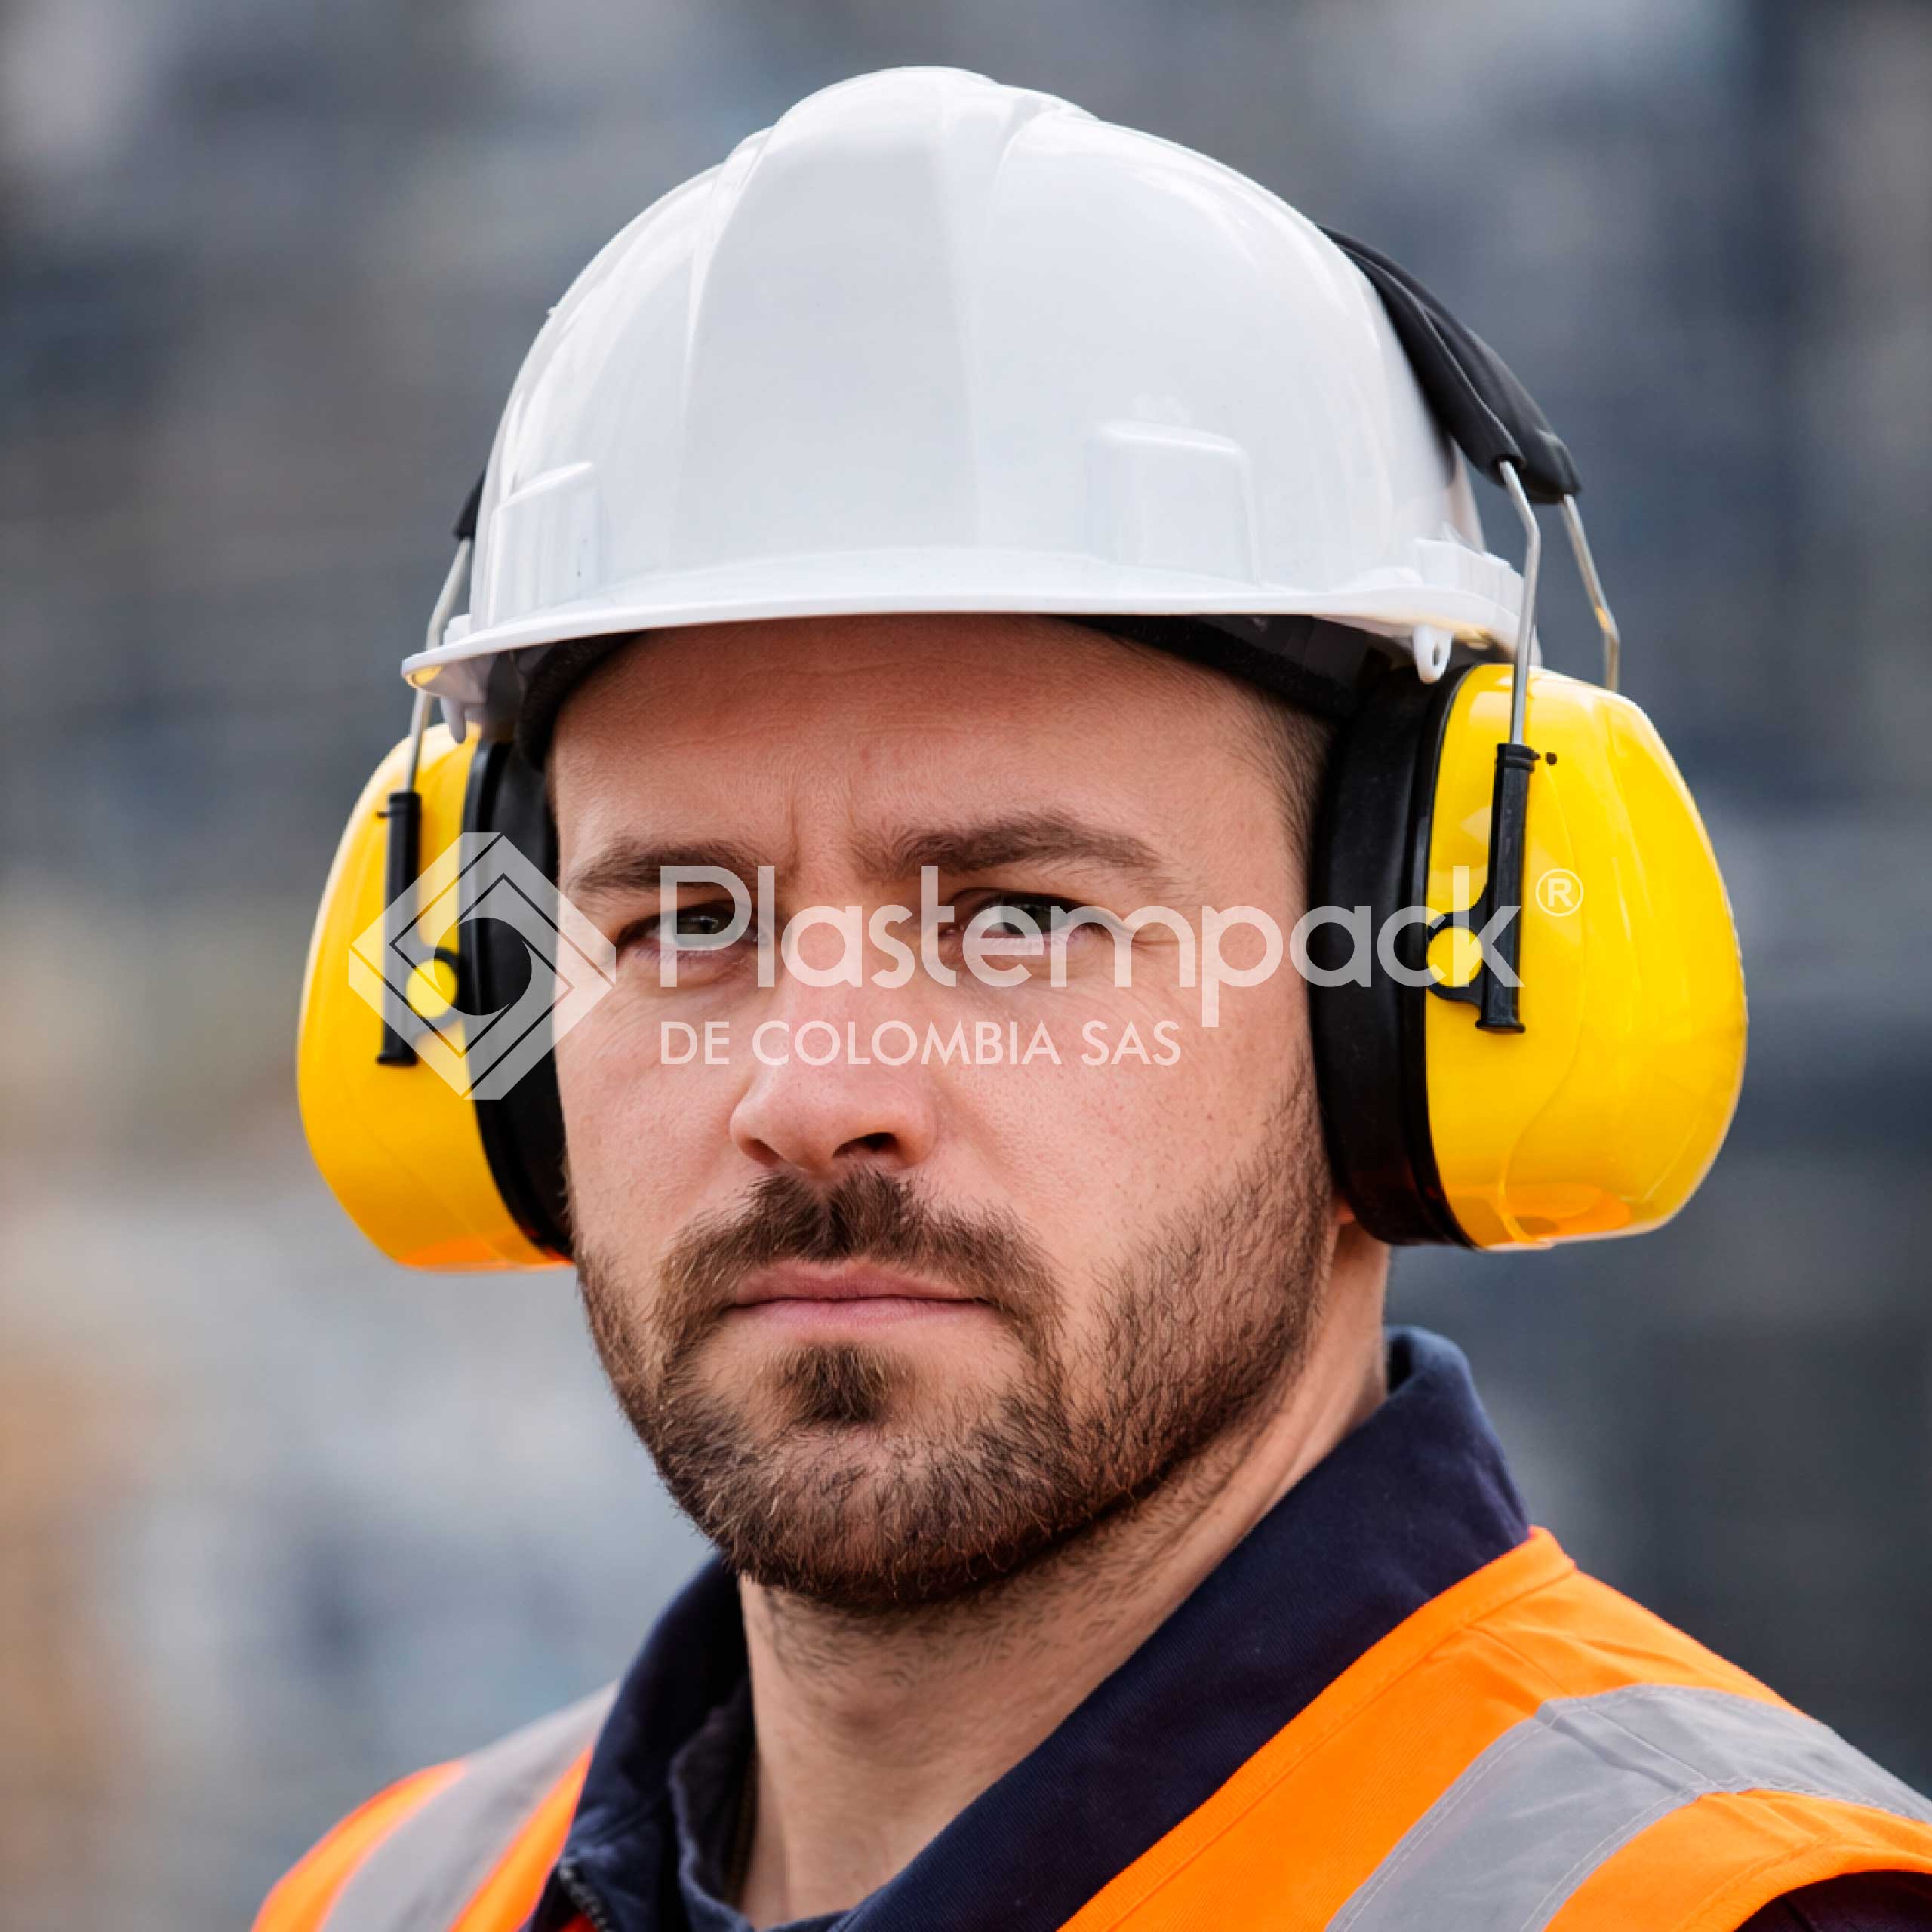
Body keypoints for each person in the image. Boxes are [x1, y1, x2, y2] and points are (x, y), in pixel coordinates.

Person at [264, 67, 1932, 1932]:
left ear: (1409, 1010)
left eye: (1020, 916)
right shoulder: (384, 1897)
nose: (814, 1089)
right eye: (680, 920)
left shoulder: (1717, 1909)